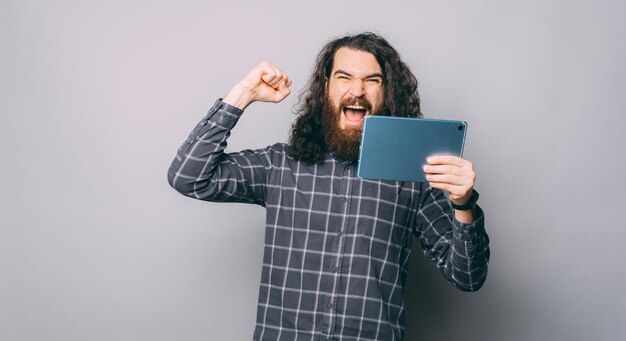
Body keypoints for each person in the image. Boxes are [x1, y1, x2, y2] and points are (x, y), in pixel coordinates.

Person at [168, 32, 490, 341]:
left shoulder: (412, 179)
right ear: (326, 88)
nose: (357, 90)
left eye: (372, 80)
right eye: (344, 77)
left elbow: (468, 276)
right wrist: (243, 93)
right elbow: (188, 174)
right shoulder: (280, 165)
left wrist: (463, 204)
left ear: (386, 92)